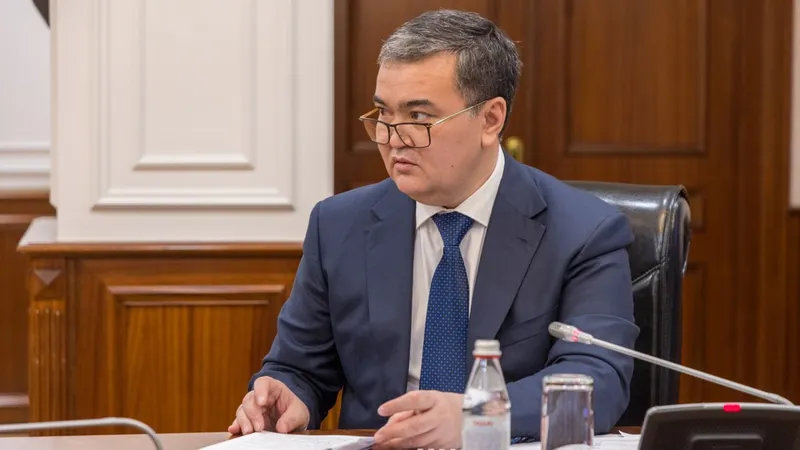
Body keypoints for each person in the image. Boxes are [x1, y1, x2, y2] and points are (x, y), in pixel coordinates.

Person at [229, 9, 639, 449]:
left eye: (419, 117)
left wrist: (474, 416)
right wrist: (287, 394)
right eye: (383, 113)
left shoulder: (583, 231)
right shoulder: (339, 224)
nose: (392, 138)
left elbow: (595, 380)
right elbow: (301, 367)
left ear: (490, 120)